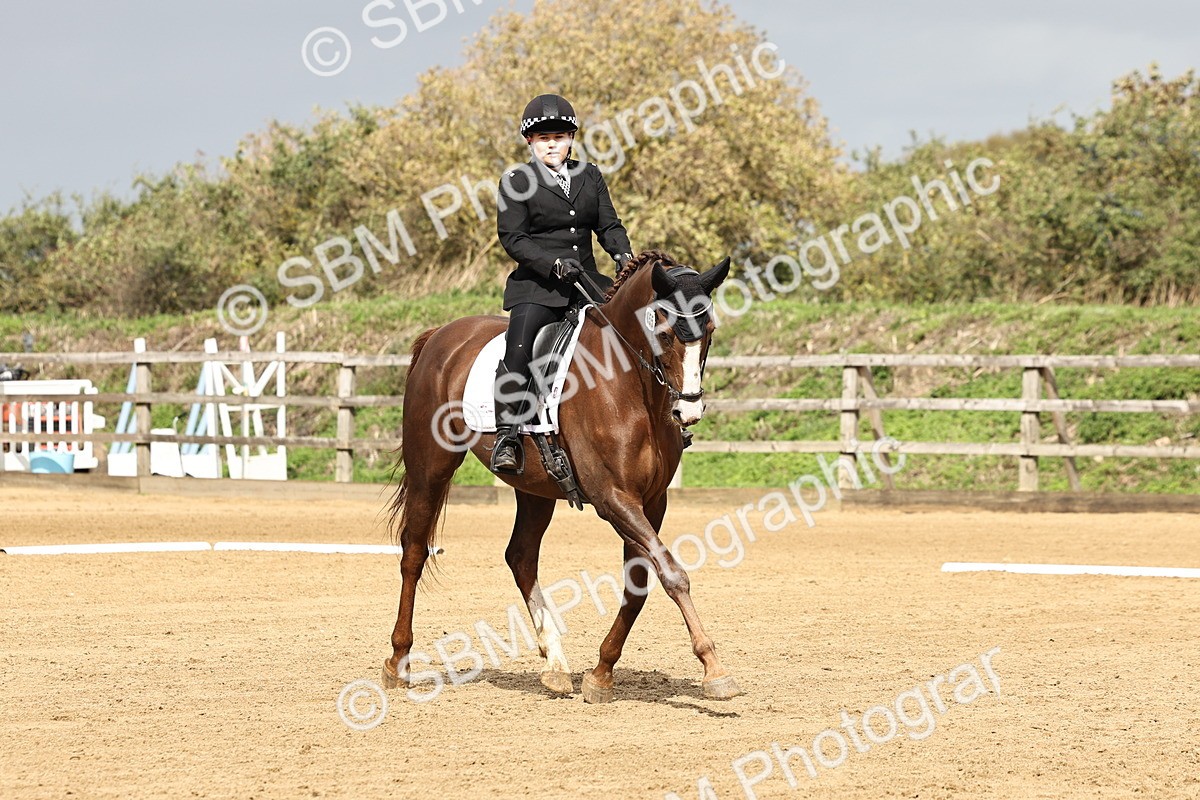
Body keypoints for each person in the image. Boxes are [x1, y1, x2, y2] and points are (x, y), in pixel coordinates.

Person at [491, 93, 633, 474]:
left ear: (571, 138)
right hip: (537, 286)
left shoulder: (590, 176)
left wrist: (623, 255)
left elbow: (608, 225)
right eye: (542, 138)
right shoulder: (516, 180)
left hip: (588, 282)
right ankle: (506, 435)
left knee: (638, 330)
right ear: (529, 142)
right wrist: (552, 265)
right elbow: (513, 238)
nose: (551, 144)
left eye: (558, 136)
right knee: (520, 346)